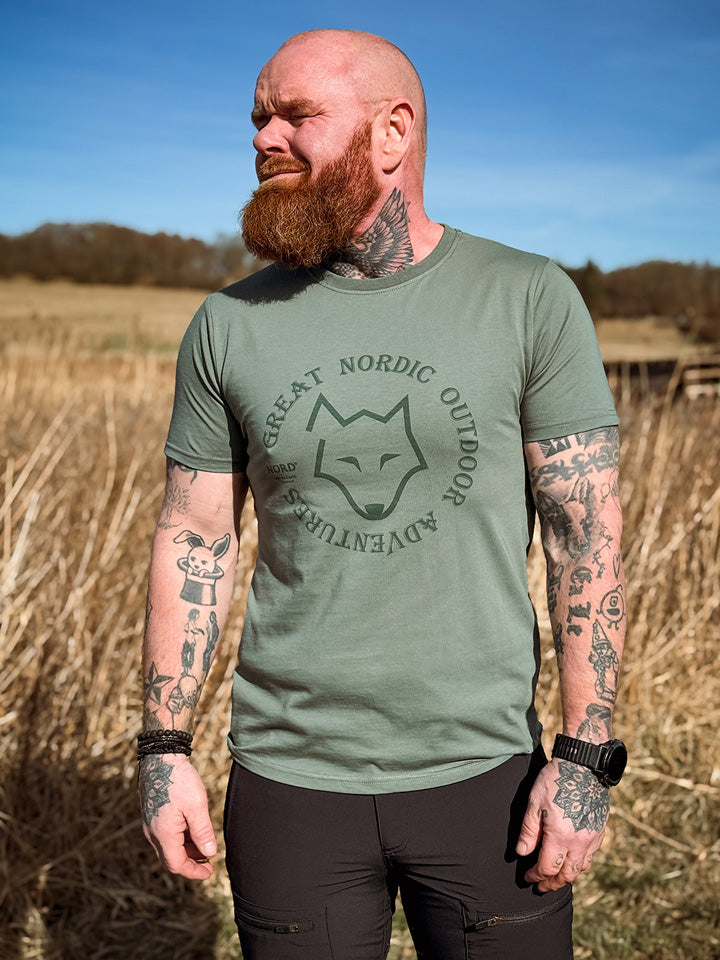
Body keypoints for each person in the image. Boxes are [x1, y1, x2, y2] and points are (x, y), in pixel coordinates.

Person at [138, 28, 627, 960]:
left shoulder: (528, 297)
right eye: (258, 118)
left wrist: (584, 757)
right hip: (289, 783)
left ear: (392, 131)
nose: (264, 138)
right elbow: (195, 536)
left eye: (296, 115)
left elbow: (584, 536)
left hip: (486, 776)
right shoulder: (228, 323)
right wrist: (164, 751)